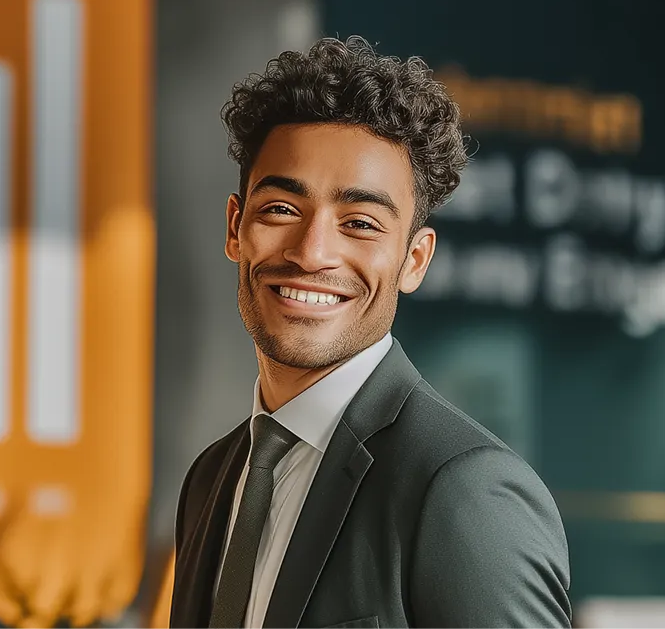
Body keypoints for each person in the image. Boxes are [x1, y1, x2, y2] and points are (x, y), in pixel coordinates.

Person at [169, 36, 572, 629]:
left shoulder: (464, 493)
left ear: (414, 260)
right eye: (281, 209)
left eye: (359, 223)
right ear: (236, 227)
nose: (312, 252)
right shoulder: (211, 479)